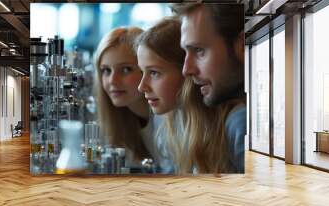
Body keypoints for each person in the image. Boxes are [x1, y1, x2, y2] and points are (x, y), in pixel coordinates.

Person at [172, 3, 246, 173]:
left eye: (199, 50)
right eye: (185, 53)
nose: (186, 70)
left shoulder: (242, 122)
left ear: (243, 45)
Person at [93, 27, 154, 169]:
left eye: (126, 69)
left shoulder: (170, 120)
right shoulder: (120, 121)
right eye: (106, 70)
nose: (112, 81)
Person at [135, 17, 186, 173]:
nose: (141, 86)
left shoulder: (232, 125)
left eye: (155, 73)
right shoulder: (166, 121)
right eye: (142, 72)